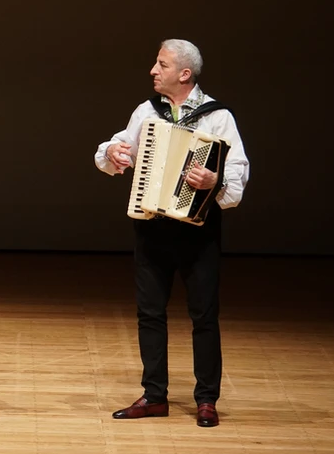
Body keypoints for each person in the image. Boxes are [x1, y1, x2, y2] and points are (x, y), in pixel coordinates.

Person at [96, 38, 249, 428]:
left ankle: (206, 399)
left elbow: (236, 177)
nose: (152, 70)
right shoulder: (148, 112)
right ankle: (154, 395)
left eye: (161, 64)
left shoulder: (218, 117)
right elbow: (115, 148)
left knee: (204, 316)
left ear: (184, 74)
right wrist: (113, 154)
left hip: (198, 231)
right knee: (149, 313)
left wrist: (213, 180)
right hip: (152, 226)